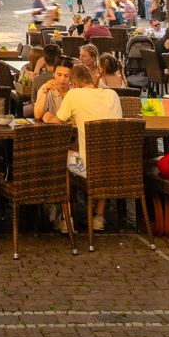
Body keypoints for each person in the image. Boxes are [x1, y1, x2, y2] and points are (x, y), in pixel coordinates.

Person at [43, 63, 123, 230]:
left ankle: (67, 218)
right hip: (116, 166)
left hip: (88, 169)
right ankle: (98, 216)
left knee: (63, 157)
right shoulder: (113, 95)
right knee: (104, 154)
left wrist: (47, 117)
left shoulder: (75, 95)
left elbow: (57, 121)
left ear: (73, 83)